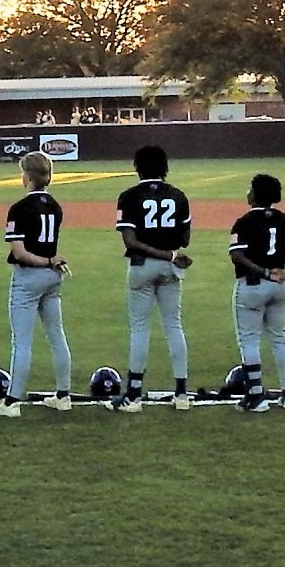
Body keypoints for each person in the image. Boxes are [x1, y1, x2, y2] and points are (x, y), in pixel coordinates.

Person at [115, 143, 194, 412]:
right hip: (171, 267)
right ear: (164, 167)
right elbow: (185, 238)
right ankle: (182, 394)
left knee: (139, 328)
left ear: (138, 167)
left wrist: (161, 254)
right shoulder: (179, 196)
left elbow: (130, 240)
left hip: (142, 266)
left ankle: (134, 395)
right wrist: (170, 255)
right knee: (174, 326)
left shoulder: (128, 196)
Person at [0, 150, 73, 416]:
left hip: (29, 276)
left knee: (22, 342)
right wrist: (51, 262)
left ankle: (12, 401)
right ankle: (63, 394)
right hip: (52, 278)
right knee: (56, 335)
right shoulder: (55, 206)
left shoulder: (19, 208)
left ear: (27, 176)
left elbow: (20, 253)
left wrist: (46, 261)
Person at [226, 173, 285, 413]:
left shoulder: (243, 222)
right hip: (280, 284)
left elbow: (237, 255)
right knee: (280, 338)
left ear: (256, 193)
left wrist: (263, 272)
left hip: (254, 284)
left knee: (249, 340)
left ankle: (256, 396)